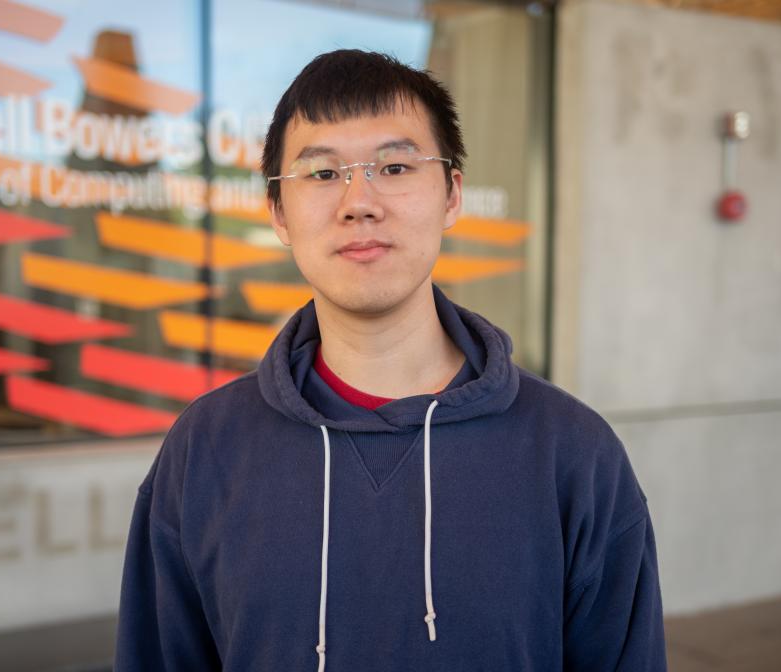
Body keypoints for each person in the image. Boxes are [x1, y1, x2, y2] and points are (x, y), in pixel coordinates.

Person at [115, 49, 667, 671]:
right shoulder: (206, 449)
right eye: (322, 175)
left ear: (452, 194)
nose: (359, 202)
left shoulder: (573, 452)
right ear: (278, 212)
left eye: (395, 166)